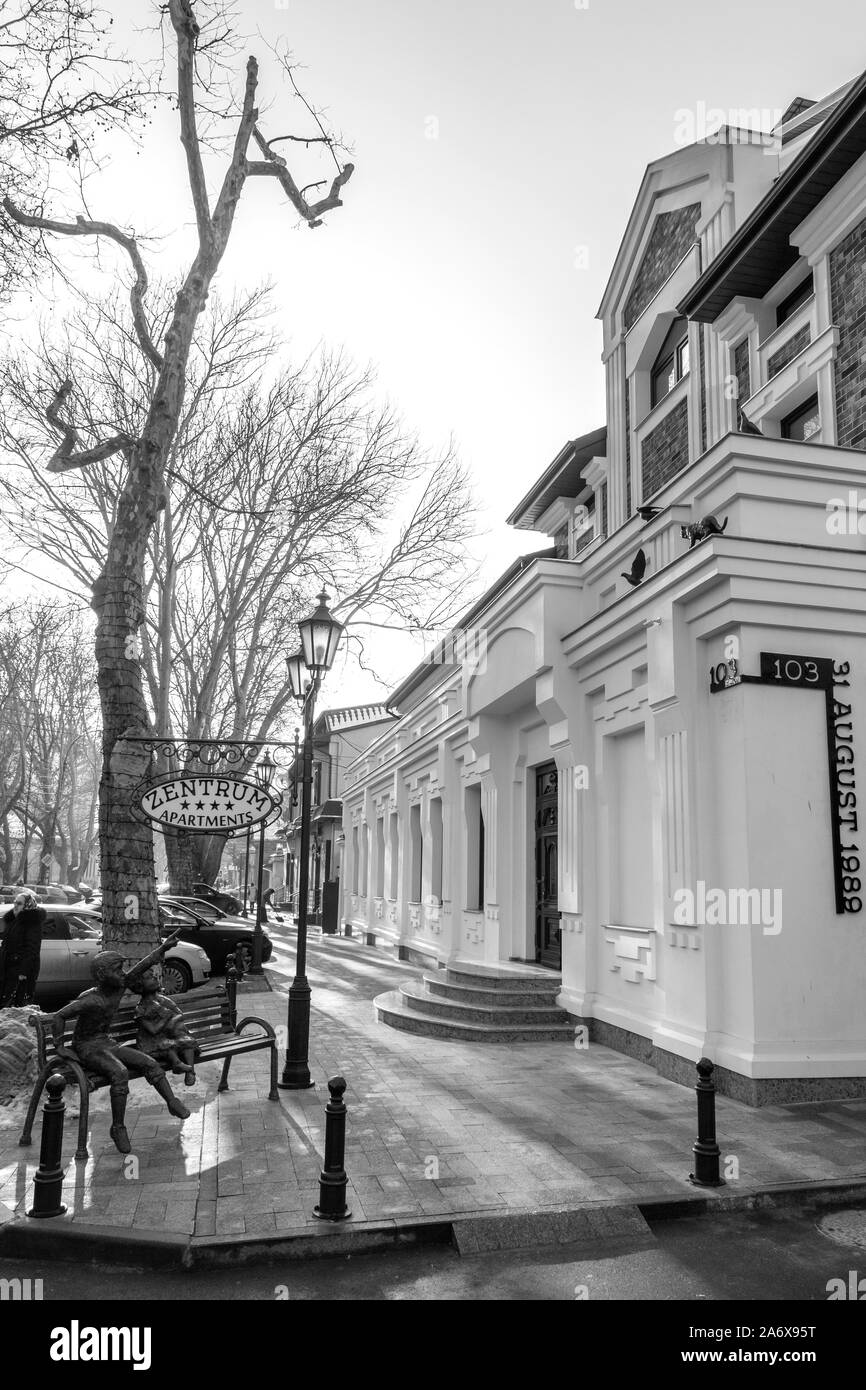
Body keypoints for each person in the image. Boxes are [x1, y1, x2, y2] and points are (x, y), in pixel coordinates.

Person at [46, 931, 189, 1154]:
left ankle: (172, 1102)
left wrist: (164, 949)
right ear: (103, 974)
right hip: (87, 1047)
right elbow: (59, 1016)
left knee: (150, 1063)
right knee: (119, 1073)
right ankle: (118, 1127)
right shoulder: (90, 999)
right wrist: (61, 1047)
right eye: (117, 970)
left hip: (106, 1043)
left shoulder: (119, 986)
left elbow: (141, 967)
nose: (123, 974)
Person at [131, 968, 198, 1086]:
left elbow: (180, 1014)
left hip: (169, 1036)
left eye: (154, 975)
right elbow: (153, 1030)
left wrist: (172, 1022)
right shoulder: (141, 1009)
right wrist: (166, 1019)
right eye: (149, 977)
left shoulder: (163, 1000)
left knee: (188, 1042)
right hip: (151, 1042)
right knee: (166, 1044)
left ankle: (190, 1072)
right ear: (140, 986)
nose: (155, 978)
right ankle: (177, 1063)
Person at [0, 891, 46, 1007]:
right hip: (9, 967)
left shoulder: (32, 922)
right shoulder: (13, 920)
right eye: (15, 902)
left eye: (19, 903)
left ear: (27, 905)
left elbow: (32, 949)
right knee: (6, 1001)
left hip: (20, 970)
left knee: (18, 1004)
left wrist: (23, 972)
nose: (15, 905)